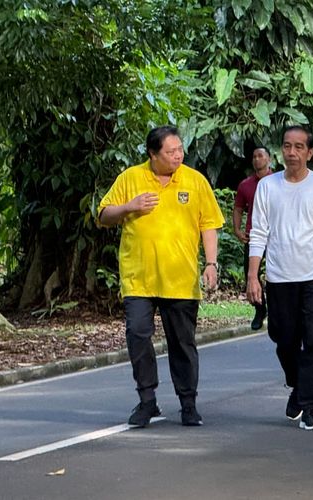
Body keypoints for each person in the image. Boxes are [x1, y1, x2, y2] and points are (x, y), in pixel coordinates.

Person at [98, 125, 224, 428]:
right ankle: (147, 401)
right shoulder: (130, 178)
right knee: (138, 336)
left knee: (182, 343)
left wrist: (211, 263)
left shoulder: (195, 181)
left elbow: (209, 224)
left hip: (180, 279)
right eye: (171, 151)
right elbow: (103, 216)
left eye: (180, 149)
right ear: (153, 154)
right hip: (138, 278)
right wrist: (129, 207)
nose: (178, 155)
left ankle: (188, 403)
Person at [246, 125, 313, 431]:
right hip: (280, 278)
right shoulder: (268, 187)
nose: (291, 153)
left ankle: (310, 408)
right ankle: (297, 384)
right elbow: (258, 234)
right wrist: (253, 276)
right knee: (284, 339)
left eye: (298, 147)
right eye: (286, 146)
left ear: (309, 152)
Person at [233, 146, 273, 330]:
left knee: (275, 273)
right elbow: (239, 208)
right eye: (254, 156)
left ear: (269, 159)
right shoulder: (245, 185)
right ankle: (259, 308)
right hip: (254, 235)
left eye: (261, 156)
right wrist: (237, 229)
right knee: (251, 273)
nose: (257, 159)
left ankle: (277, 309)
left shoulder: (279, 181)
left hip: (276, 236)